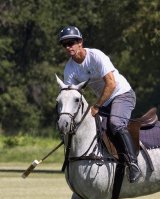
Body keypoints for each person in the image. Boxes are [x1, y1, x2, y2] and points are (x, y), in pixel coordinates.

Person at [59, 25, 141, 183]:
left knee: (116, 124)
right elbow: (70, 93)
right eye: (65, 44)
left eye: (71, 42)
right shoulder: (69, 68)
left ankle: (133, 164)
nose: (68, 46)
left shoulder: (96, 56)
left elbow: (111, 83)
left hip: (122, 94)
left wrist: (96, 106)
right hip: (105, 100)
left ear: (80, 42)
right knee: (92, 129)